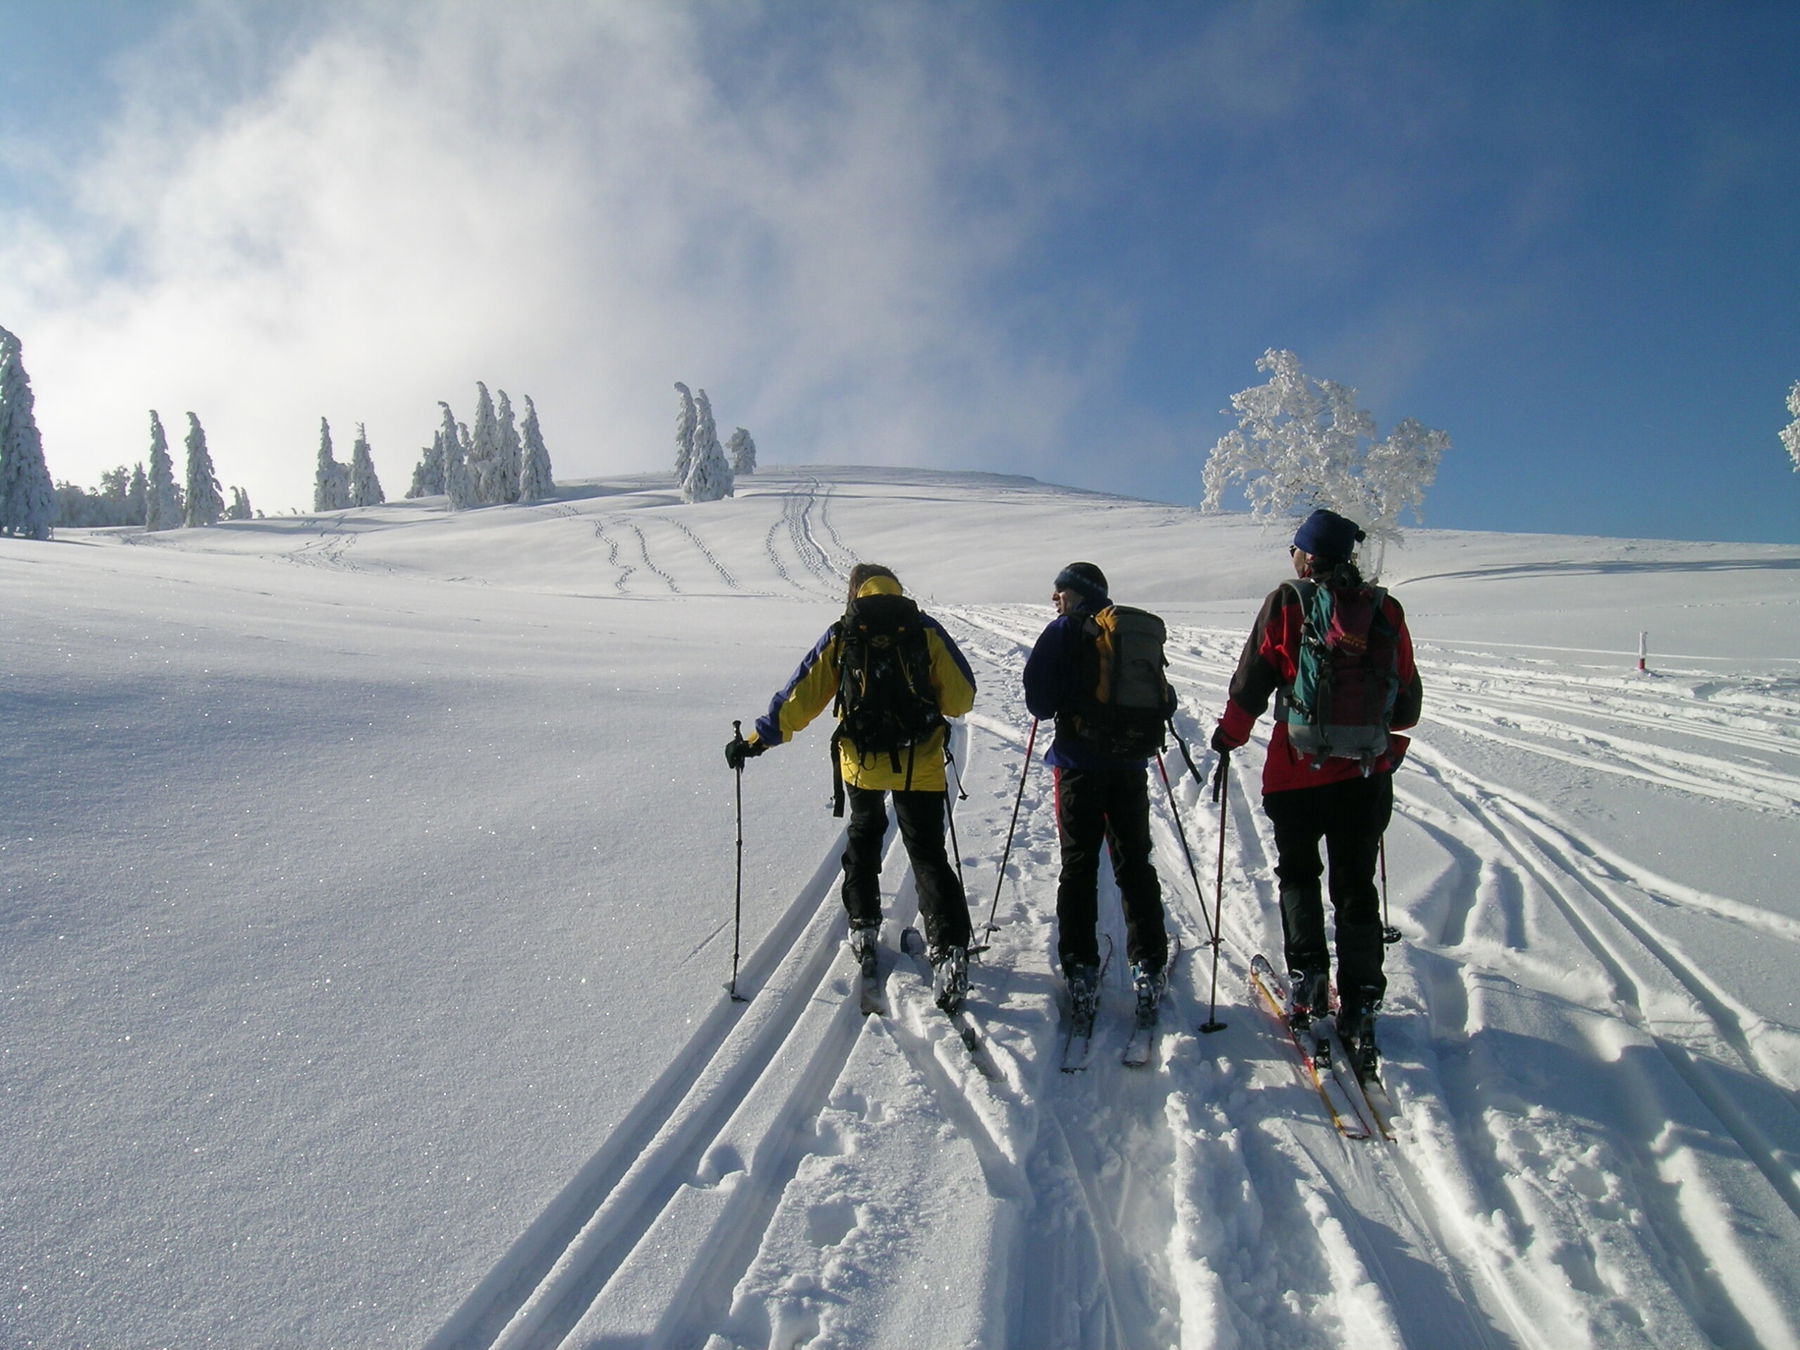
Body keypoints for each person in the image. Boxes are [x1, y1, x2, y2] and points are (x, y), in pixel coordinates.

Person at [1209, 508, 1422, 1076]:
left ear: (1307, 555)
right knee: (1355, 886)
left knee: (1299, 875)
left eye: (1295, 550)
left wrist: (1229, 737)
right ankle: (1362, 1000)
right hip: (1364, 777)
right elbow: (1407, 708)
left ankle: (1306, 979)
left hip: (1296, 774)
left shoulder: (1288, 602)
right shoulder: (1385, 610)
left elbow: (1251, 682)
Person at [726, 563, 979, 1010]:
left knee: (864, 833)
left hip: (860, 760)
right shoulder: (923, 628)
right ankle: (950, 949)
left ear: (855, 592)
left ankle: (863, 923)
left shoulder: (844, 632)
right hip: (919, 763)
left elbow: (800, 696)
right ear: (897, 588)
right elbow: (962, 698)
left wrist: (756, 741)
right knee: (926, 852)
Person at [1022, 561, 1171, 1030]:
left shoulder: (1064, 630)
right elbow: (1163, 699)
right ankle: (1148, 965)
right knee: (1134, 863)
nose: (1055, 599)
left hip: (1078, 767)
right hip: (1129, 766)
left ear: (1078, 593)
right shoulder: (1131, 632)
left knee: (1080, 866)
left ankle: (1081, 970)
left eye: (1060, 591)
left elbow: (1037, 702)